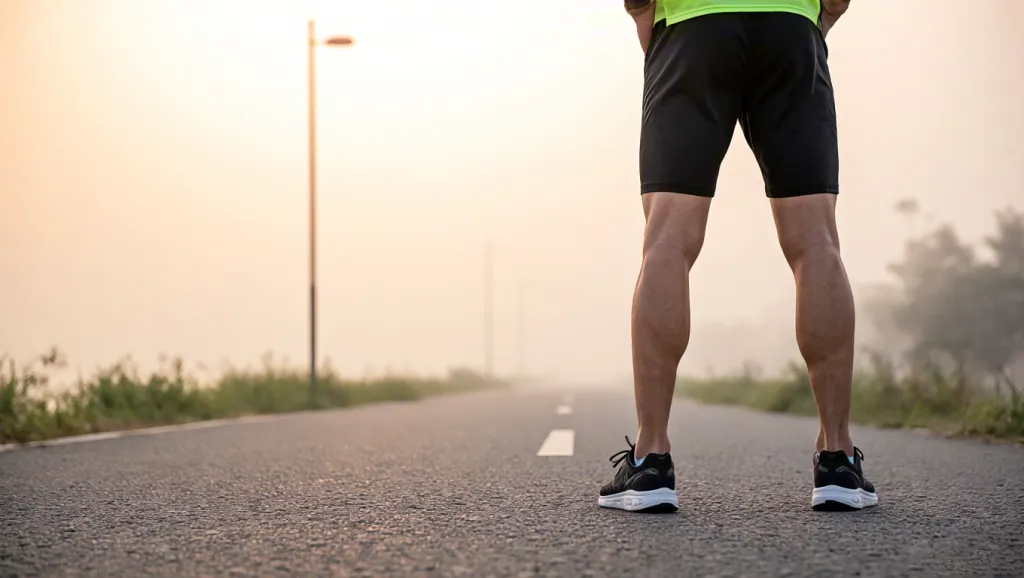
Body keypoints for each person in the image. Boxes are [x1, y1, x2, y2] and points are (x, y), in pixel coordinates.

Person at [597, 0, 878, 513]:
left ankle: (651, 459)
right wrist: (818, 21)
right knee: (816, 241)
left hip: (691, 29)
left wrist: (644, 18)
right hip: (791, 28)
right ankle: (837, 457)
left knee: (668, 239)